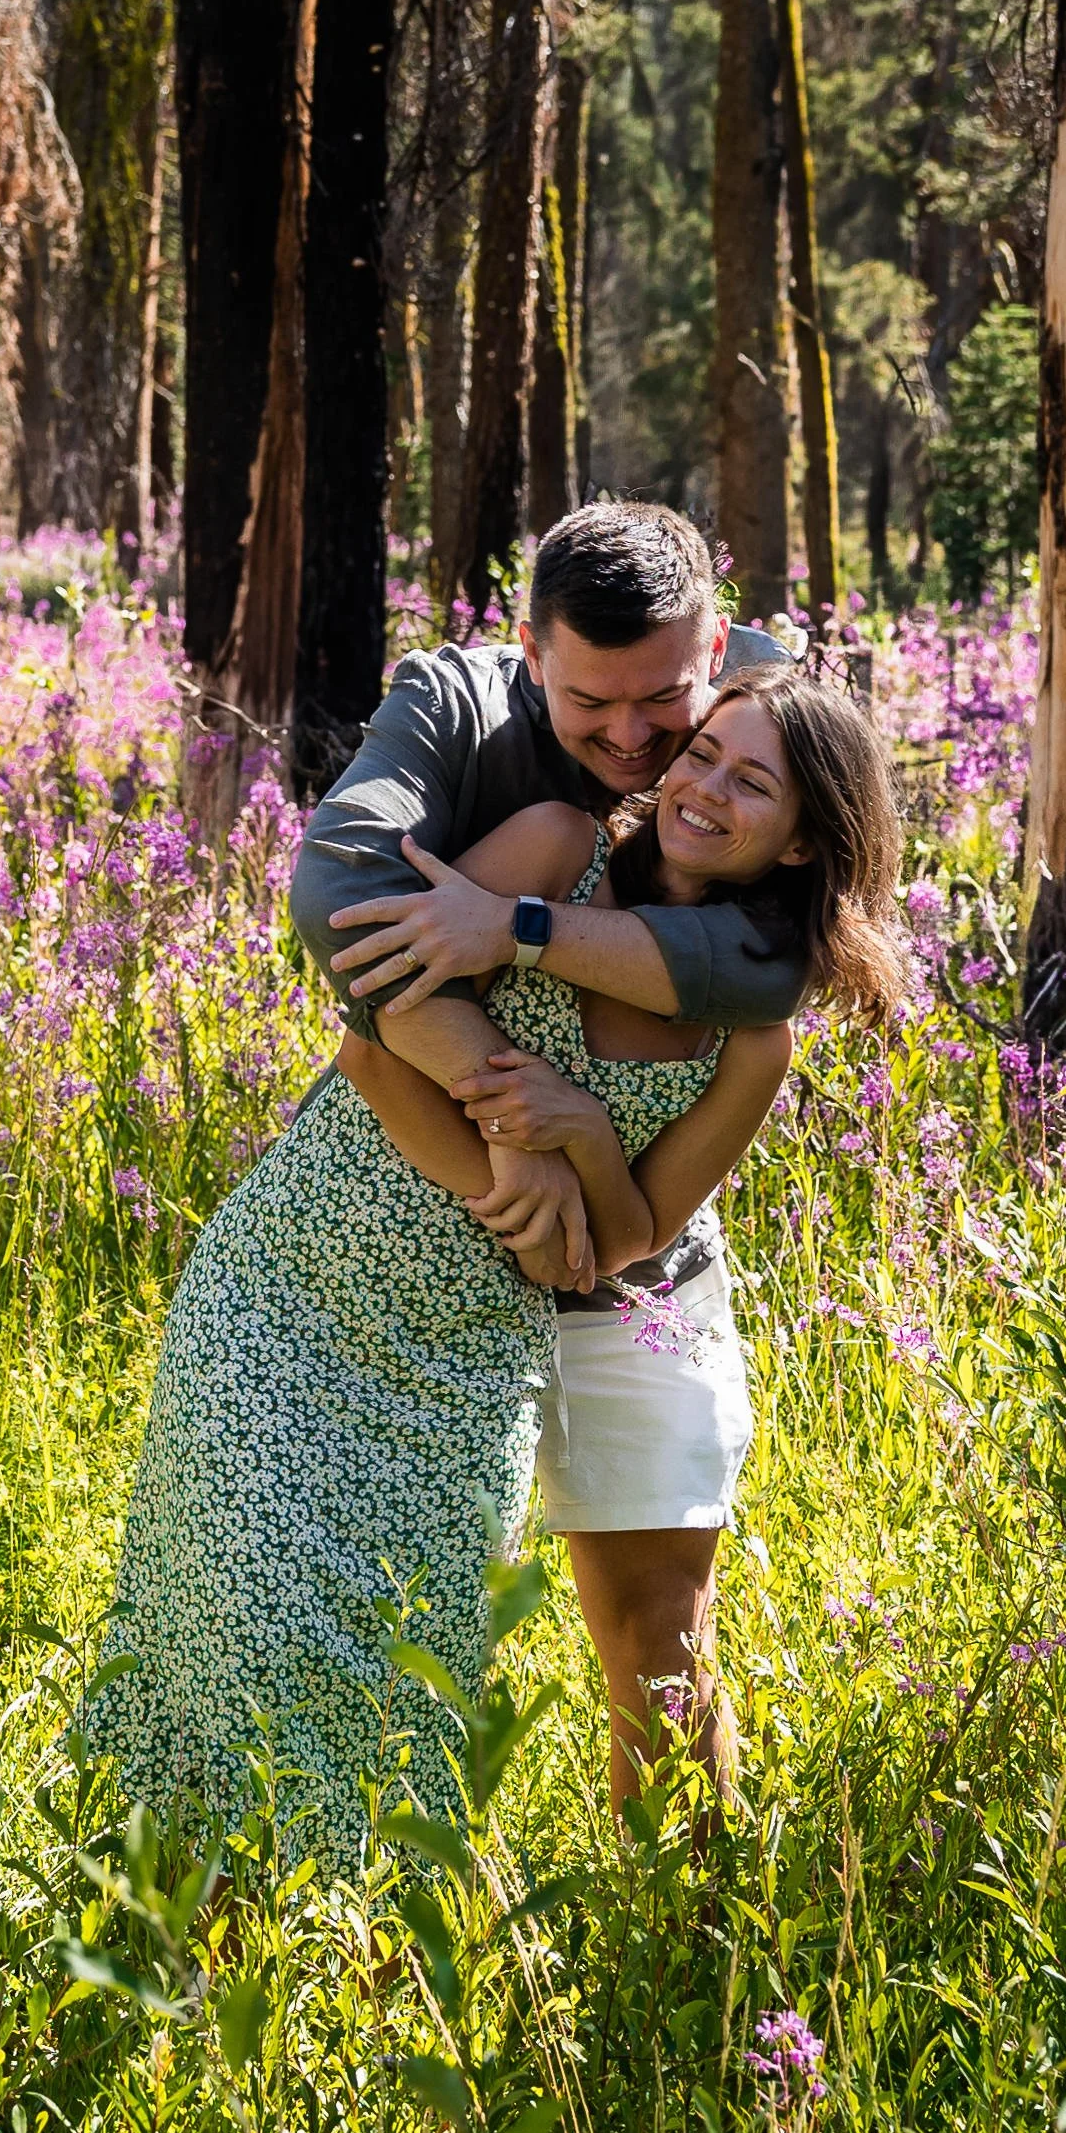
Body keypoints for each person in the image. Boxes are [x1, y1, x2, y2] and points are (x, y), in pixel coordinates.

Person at [87, 664, 908, 1862]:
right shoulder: (554, 843)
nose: (701, 786)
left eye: (751, 781)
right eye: (701, 753)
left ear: (801, 843)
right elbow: (373, 1050)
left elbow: (626, 1239)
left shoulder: (752, 1040)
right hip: (302, 1284)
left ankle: (526, 1956)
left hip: (473, 1347)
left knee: (418, 1660)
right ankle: (190, 1937)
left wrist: (576, 1129)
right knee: (237, 1617)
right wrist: (509, 1174)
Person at [288, 500, 803, 1302]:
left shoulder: (761, 715)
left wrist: (514, 930)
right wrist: (511, 1135)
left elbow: (779, 965)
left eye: (662, 699)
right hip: (410, 1200)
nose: (630, 737)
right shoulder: (453, 704)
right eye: (590, 703)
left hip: (634, 1255)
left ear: (712, 649)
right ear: (530, 653)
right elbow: (339, 897)